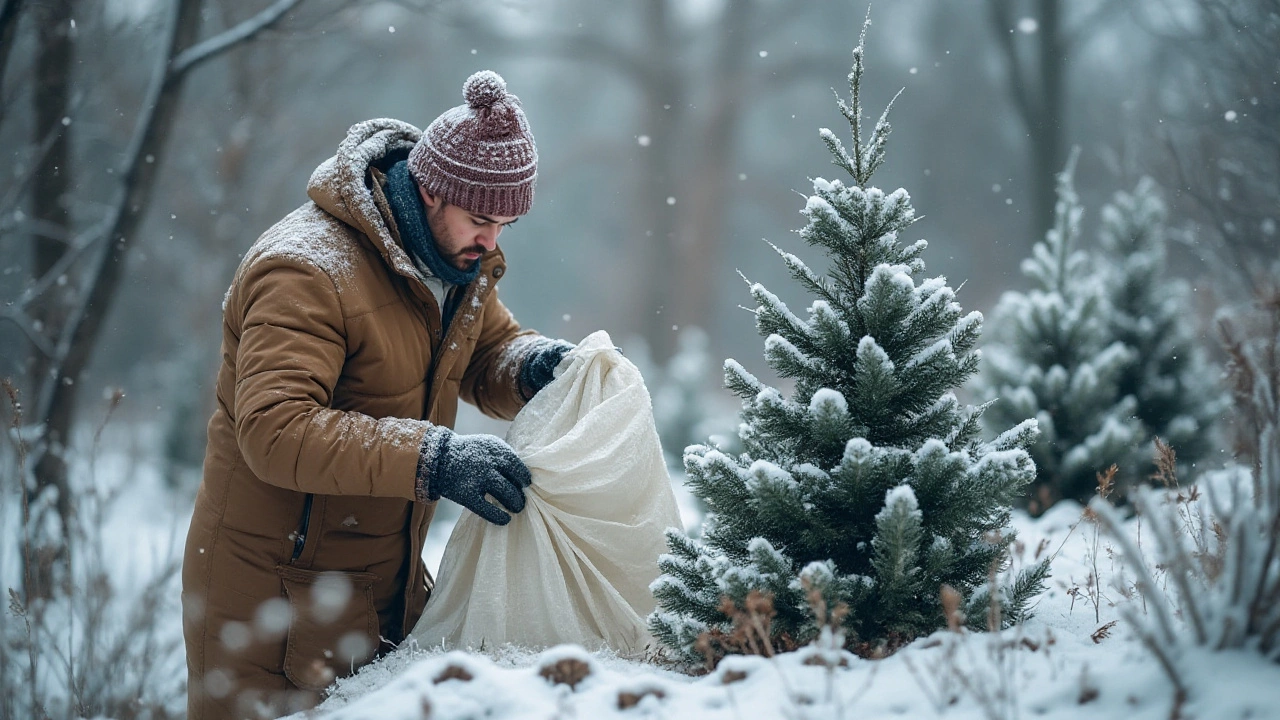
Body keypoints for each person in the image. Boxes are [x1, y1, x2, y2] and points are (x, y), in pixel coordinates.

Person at [181, 70, 573, 720]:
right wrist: (433, 459)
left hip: (374, 586)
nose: (492, 242)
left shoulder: (453, 264)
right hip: (271, 603)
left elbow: (486, 354)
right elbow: (274, 431)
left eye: (506, 224)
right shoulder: (306, 271)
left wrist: (538, 367)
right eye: (481, 219)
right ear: (428, 190)